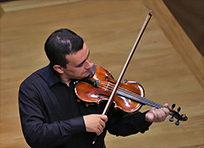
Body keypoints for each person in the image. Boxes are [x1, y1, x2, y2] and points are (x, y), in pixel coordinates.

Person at [18, 28, 169, 148]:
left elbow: (116, 126)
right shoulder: (32, 89)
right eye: (80, 64)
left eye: (88, 57)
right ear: (59, 68)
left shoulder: (96, 78)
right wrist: (82, 124)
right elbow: (35, 135)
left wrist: (145, 118)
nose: (90, 65)